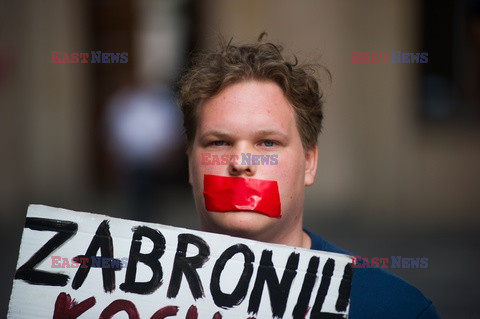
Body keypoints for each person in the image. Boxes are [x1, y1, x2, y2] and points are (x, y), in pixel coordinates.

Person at [177, 34, 440, 318]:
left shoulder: (396, 309)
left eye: (268, 143)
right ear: (190, 161)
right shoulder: (128, 296)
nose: (241, 162)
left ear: (309, 162)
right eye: (219, 142)